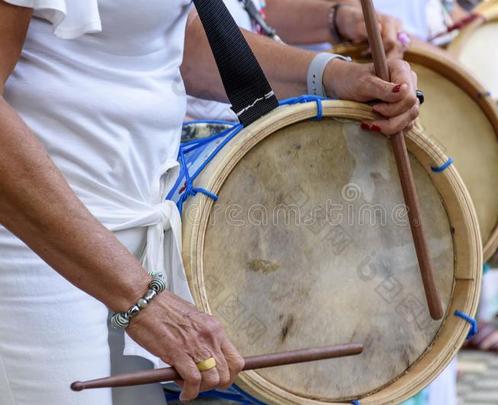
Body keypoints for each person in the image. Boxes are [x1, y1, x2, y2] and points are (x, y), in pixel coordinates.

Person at [0, 1, 420, 404]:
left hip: (138, 238)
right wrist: (140, 298)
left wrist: (328, 75)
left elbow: (162, 35)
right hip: (31, 248)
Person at [187, 0, 407, 121]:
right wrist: (330, 75)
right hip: (190, 149)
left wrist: (338, 18)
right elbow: (187, 46)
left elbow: (259, 9)